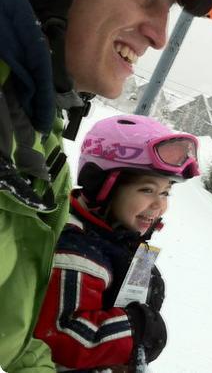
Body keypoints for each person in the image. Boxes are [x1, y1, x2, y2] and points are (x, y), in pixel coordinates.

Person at [0, 0, 212, 371]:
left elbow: (18, 345)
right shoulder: (22, 153)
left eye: (169, 7)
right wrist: (131, 329)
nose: (159, 35)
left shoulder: (33, 143)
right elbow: (57, 335)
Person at [34, 114, 200, 372]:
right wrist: (135, 329)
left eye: (166, 192)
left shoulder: (129, 241)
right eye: (147, 189)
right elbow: (61, 334)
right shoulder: (79, 249)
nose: (159, 204)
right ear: (103, 185)